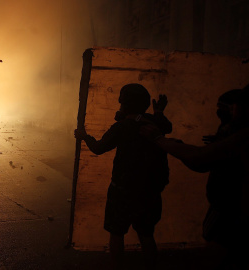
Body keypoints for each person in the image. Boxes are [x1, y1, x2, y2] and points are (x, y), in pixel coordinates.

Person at [141, 86, 249, 270]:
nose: (224, 112)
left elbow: (199, 158)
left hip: (234, 216)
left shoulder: (242, 137)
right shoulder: (232, 133)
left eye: (231, 107)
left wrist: (160, 140)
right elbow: (202, 161)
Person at [74, 84, 172, 270]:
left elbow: (98, 148)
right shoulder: (154, 122)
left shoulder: (123, 127)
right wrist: (158, 112)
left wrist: (84, 136)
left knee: (117, 233)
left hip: (123, 192)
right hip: (150, 192)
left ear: (124, 104)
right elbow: (167, 126)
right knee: (146, 234)